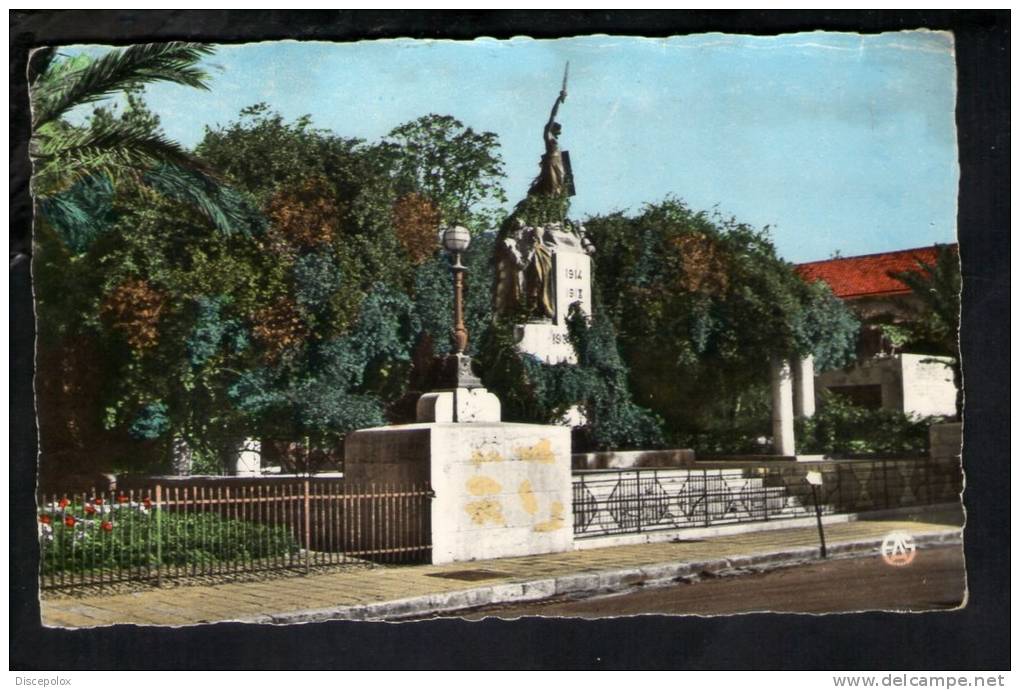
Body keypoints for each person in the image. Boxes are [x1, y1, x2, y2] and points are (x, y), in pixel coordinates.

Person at [528, 88, 567, 198]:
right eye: (558, 130)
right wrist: (559, 100)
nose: (559, 133)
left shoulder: (556, 141)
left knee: (558, 190)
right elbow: (552, 116)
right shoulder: (548, 137)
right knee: (551, 188)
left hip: (558, 165)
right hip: (550, 165)